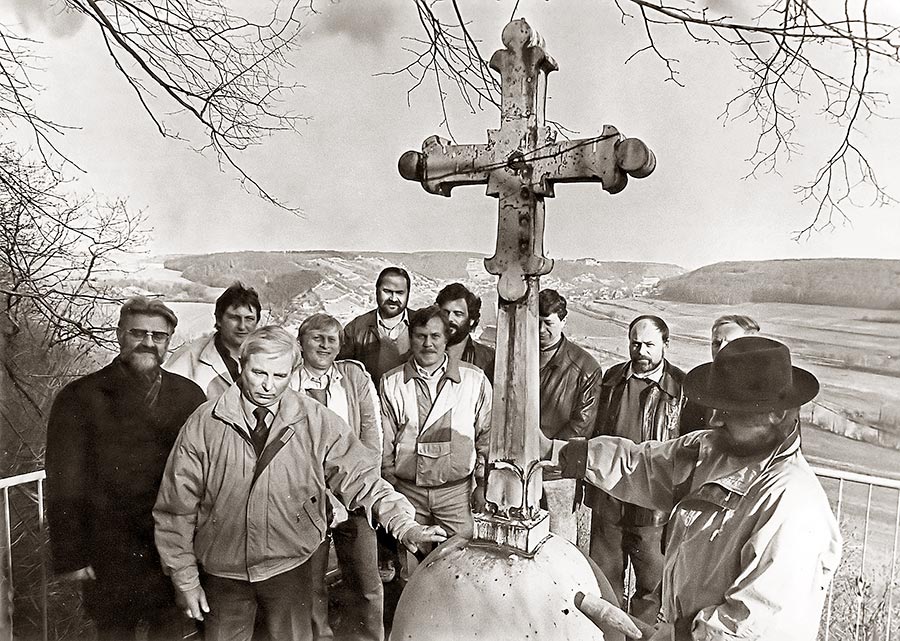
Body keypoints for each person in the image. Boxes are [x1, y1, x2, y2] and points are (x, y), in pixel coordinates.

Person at [153, 326, 446, 641]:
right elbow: (175, 508)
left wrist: (403, 524)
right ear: (241, 365)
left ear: (292, 372)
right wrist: (185, 579)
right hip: (224, 573)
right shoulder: (205, 422)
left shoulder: (314, 420)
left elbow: (361, 478)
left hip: (291, 568)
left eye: (279, 376)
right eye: (258, 373)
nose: (268, 386)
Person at [548, 337, 842, 641]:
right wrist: (562, 454)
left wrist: (680, 635)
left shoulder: (791, 504)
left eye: (731, 410)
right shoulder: (710, 451)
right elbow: (641, 465)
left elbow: (756, 627)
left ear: (777, 414)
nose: (714, 419)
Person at [45, 296, 207, 641]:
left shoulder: (189, 396)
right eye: (138, 333)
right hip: (110, 551)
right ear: (120, 334)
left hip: (170, 549)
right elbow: (64, 482)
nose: (148, 342)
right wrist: (70, 555)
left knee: (170, 632)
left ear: (169, 342)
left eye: (159, 336)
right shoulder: (80, 396)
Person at [588, 314, 685, 623]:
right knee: (604, 583)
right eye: (635, 343)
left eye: (649, 345)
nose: (641, 351)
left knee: (651, 591)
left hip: (652, 509)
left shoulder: (681, 389)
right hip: (609, 502)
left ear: (666, 345)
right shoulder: (611, 380)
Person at [293, 313, 384, 641]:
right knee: (311, 582)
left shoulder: (353, 378)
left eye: (332, 339)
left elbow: (373, 435)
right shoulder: (288, 383)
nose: (325, 345)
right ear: (301, 342)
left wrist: (363, 484)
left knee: (365, 580)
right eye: (317, 338)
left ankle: (368, 637)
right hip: (308, 497)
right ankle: (322, 636)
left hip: (353, 492)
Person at [380, 306, 492, 565]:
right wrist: (391, 488)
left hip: (456, 494)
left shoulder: (473, 380)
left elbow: (486, 437)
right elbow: (384, 444)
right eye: (420, 336)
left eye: (435, 336)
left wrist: (482, 485)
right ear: (411, 337)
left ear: (446, 339)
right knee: (410, 569)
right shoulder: (392, 382)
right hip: (408, 492)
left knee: (462, 565)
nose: (427, 343)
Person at [537, 289, 602, 546]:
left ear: (563, 321)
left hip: (557, 475)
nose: (541, 330)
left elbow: (581, 427)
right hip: (514, 472)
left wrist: (543, 451)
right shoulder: (515, 358)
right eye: (536, 322)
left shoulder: (585, 368)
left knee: (558, 546)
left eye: (548, 323)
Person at [165, 282, 261, 399]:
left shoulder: (269, 357)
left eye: (249, 319)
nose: (242, 326)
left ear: (257, 322)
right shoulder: (187, 358)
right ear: (219, 319)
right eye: (234, 318)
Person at [682, 314, 760, 432]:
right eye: (716, 343)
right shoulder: (700, 389)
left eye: (731, 344)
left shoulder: (766, 391)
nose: (721, 350)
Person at [339, 266, 414, 387]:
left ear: (408, 293)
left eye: (400, 293)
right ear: (376, 291)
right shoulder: (356, 328)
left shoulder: (421, 324)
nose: (393, 298)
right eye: (387, 291)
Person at [435, 282, 495, 383]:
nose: (450, 319)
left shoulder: (489, 360)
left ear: (471, 320)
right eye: (445, 313)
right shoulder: (423, 352)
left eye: (458, 314)